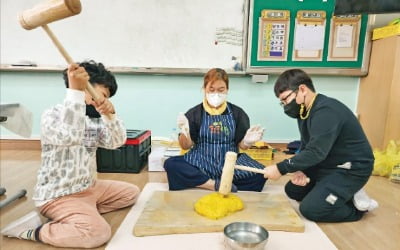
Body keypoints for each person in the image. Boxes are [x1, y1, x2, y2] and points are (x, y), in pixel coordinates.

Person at [1, 60, 140, 248]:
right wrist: (75, 93)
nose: (100, 99)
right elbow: (69, 136)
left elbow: (116, 142)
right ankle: (33, 230)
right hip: (58, 195)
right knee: (97, 233)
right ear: (80, 87)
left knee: (131, 193)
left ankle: (82, 211)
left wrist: (111, 116)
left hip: (88, 188)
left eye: (106, 97)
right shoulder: (52, 115)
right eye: (97, 92)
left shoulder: (95, 120)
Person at [263, 68, 378, 222]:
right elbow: (307, 144)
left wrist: (281, 168)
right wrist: (300, 169)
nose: (285, 106)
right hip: (328, 163)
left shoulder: (326, 111)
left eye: (286, 99)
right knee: (293, 190)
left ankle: (358, 206)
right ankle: (335, 191)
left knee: (311, 210)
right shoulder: (304, 111)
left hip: (351, 169)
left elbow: (316, 152)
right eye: (281, 102)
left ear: (302, 89)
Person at [164, 68, 267, 192]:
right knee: (171, 164)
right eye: (211, 90)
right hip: (200, 161)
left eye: (221, 90)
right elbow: (185, 146)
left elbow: (242, 147)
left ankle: (202, 181)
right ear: (204, 90)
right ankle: (214, 185)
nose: (216, 94)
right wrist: (185, 132)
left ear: (227, 90)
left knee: (261, 173)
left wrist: (247, 142)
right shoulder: (194, 113)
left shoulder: (238, 113)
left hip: (230, 162)